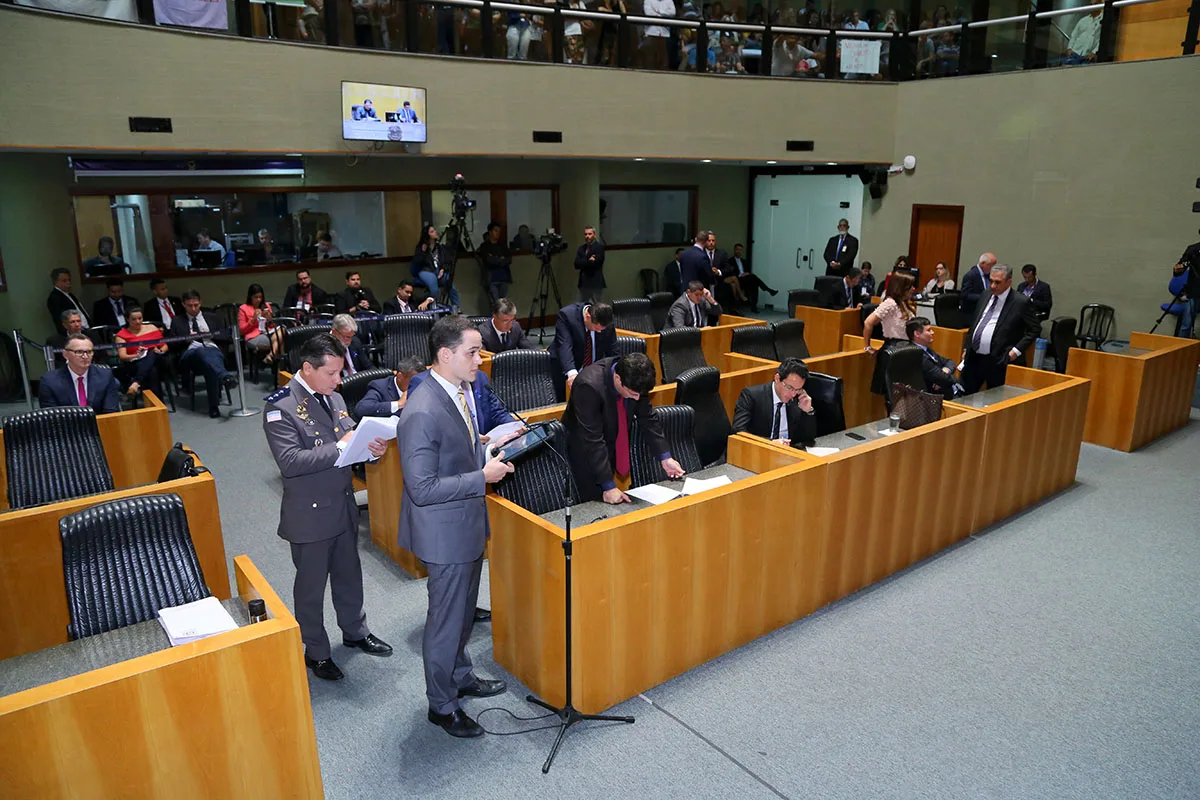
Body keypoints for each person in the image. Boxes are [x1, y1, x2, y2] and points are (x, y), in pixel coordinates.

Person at [397, 316, 514, 738]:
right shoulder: (422, 409)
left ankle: (460, 675)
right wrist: (482, 477)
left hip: (463, 523)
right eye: (472, 352)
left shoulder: (457, 389)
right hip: (443, 532)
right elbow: (422, 488)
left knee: (463, 614)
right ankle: (442, 706)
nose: (480, 359)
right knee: (445, 622)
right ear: (445, 355)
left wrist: (483, 451)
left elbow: (456, 448)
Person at [263, 334, 393, 682]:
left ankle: (355, 632)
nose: (340, 380)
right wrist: (341, 447)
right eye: (333, 373)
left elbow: (350, 435)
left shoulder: (333, 397)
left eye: (339, 372)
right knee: (311, 587)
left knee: (349, 577)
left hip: (342, 505)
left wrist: (370, 447)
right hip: (310, 513)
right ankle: (316, 651)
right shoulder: (281, 407)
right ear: (307, 368)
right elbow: (290, 462)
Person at [562, 352, 685, 503]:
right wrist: (608, 486)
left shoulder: (636, 379)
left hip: (610, 443)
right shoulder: (588, 386)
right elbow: (592, 438)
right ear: (618, 379)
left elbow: (648, 418)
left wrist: (665, 457)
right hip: (582, 453)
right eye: (633, 394)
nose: (638, 399)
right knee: (591, 505)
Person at [960, 264, 1040, 394]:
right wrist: (967, 346)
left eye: (998, 282)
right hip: (974, 357)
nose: (993, 286)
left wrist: (1015, 351)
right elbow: (976, 322)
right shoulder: (986, 294)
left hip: (999, 359)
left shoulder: (1020, 302)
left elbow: (1035, 329)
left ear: (1009, 282)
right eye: (991, 281)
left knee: (994, 400)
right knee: (962, 395)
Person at [170, 290, 237, 419]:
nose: (193, 308)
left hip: (213, 351)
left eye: (196, 305)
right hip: (191, 355)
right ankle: (224, 376)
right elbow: (172, 344)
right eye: (190, 306)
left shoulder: (212, 317)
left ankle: (214, 407)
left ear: (200, 302)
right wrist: (187, 338)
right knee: (201, 350)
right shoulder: (177, 321)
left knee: (209, 363)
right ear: (184, 305)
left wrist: (211, 335)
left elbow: (227, 337)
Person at [731, 357, 816, 448]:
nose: (793, 394)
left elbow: (808, 438)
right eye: (789, 388)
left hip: (790, 453)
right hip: (758, 452)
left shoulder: (799, 398)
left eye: (798, 389)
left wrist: (808, 411)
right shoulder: (752, 396)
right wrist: (770, 443)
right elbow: (738, 432)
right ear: (777, 378)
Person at [39, 333, 121, 414]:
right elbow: (51, 418)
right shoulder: (49, 381)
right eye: (79, 352)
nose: (85, 356)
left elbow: (111, 412)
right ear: (65, 354)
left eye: (89, 352)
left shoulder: (105, 376)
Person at [863, 272, 916, 395]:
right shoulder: (890, 303)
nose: (913, 289)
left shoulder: (904, 303)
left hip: (905, 349)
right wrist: (867, 346)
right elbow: (868, 323)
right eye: (910, 286)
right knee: (892, 394)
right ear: (901, 287)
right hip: (893, 349)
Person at [550, 301, 616, 389]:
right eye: (596, 328)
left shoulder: (606, 320)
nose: (599, 332)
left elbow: (612, 349)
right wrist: (571, 373)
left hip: (593, 373)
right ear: (587, 317)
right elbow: (564, 346)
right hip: (564, 369)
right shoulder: (567, 315)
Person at [114, 307, 167, 398]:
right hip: (136, 363)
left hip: (159, 359)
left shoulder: (152, 328)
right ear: (127, 319)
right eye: (134, 319)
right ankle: (157, 403)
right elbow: (122, 356)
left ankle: (136, 382)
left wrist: (160, 350)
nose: (138, 321)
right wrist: (138, 355)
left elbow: (164, 345)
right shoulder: (121, 335)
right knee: (152, 371)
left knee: (152, 352)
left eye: (140, 318)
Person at [906, 316, 963, 399]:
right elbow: (943, 379)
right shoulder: (917, 355)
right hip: (937, 399)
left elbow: (949, 361)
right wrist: (954, 379)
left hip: (949, 392)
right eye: (928, 330)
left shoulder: (927, 349)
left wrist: (944, 371)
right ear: (917, 334)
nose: (932, 332)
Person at [355, 356, 425, 418]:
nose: (419, 385)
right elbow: (361, 409)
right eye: (415, 380)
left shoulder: (424, 388)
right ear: (400, 377)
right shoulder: (380, 387)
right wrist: (398, 404)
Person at [413, 224, 461, 309]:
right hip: (426, 271)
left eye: (434, 230)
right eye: (432, 231)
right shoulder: (421, 247)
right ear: (427, 235)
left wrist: (443, 269)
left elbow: (446, 260)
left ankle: (457, 307)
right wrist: (423, 252)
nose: (435, 232)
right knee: (433, 285)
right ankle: (433, 308)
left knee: (450, 283)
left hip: (438, 270)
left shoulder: (440, 248)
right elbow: (417, 262)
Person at [728, 243, 778, 312]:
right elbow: (730, 273)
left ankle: (754, 306)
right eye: (737, 250)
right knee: (754, 278)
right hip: (738, 280)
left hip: (746, 279)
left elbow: (748, 270)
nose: (739, 251)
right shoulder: (730, 261)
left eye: (740, 250)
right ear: (734, 250)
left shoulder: (744, 261)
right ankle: (767, 289)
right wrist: (740, 275)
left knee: (754, 284)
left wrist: (746, 273)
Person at [239, 282, 280, 363]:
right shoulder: (243, 308)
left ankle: (271, 355)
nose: (259, 300)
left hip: (268, 332)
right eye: (256, 297)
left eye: (260, 297)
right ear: (250, 297)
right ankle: (280, 369)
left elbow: (272, 325)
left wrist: (269, 318)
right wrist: (253, 320)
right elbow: (242, 330)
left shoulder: (266, 306)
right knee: (281, 341)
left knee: (283, 330)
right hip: (254, 336)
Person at [476, 221, 513, 305]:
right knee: (495, 303)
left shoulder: (502, 245)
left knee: (503, 304)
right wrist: (500, 259)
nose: (498, 233)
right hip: (492, 278)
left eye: (499, 231)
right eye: (496, 231)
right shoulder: (485, 246)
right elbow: (488, 260)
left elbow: (509, 259)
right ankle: (495, 318)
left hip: (504, 277)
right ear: (490, 232)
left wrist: (497, 259)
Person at [47, 268, 90, 334]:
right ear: (55, 282)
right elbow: (60, 320)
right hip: (75, 333)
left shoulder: (70, 294)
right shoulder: (54, 298)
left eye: (69, 280)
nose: (68, 283)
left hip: (86, 330)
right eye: (64, 281)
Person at [330, 314, 372, 378]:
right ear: (334, 333)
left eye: (351, 336)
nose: (349, 341)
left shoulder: (355, 342)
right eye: (346, 337)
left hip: (358, 380)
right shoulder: (324, 348)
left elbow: (368, 366)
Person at [573, 225, 606, 303]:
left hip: (595, 283)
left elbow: (595, 263)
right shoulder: (581, 248)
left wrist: (583, 261)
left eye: (589, 234)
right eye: (585, 234)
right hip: (583, 283)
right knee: (581, 307)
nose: (587, 236)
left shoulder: (599, 247)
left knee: (597, 307)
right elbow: (576, 264)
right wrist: (588, 260)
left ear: (594, 235)